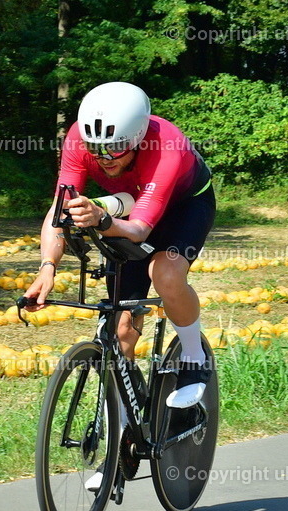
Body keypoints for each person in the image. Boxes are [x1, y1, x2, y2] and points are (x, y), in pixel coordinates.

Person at [23, 81, 215, 410]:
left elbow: (139, 230)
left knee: (165, 273)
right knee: (120, 326)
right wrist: (47, 268)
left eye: (115, 148)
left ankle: (195, 360)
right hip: (129, 205)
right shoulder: (78, 138)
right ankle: (123, 425)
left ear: (137, 138)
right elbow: (59, 211)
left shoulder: (164, 144)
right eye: (96, 149)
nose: (104, 158)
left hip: (184, 207)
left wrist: (101, 218)